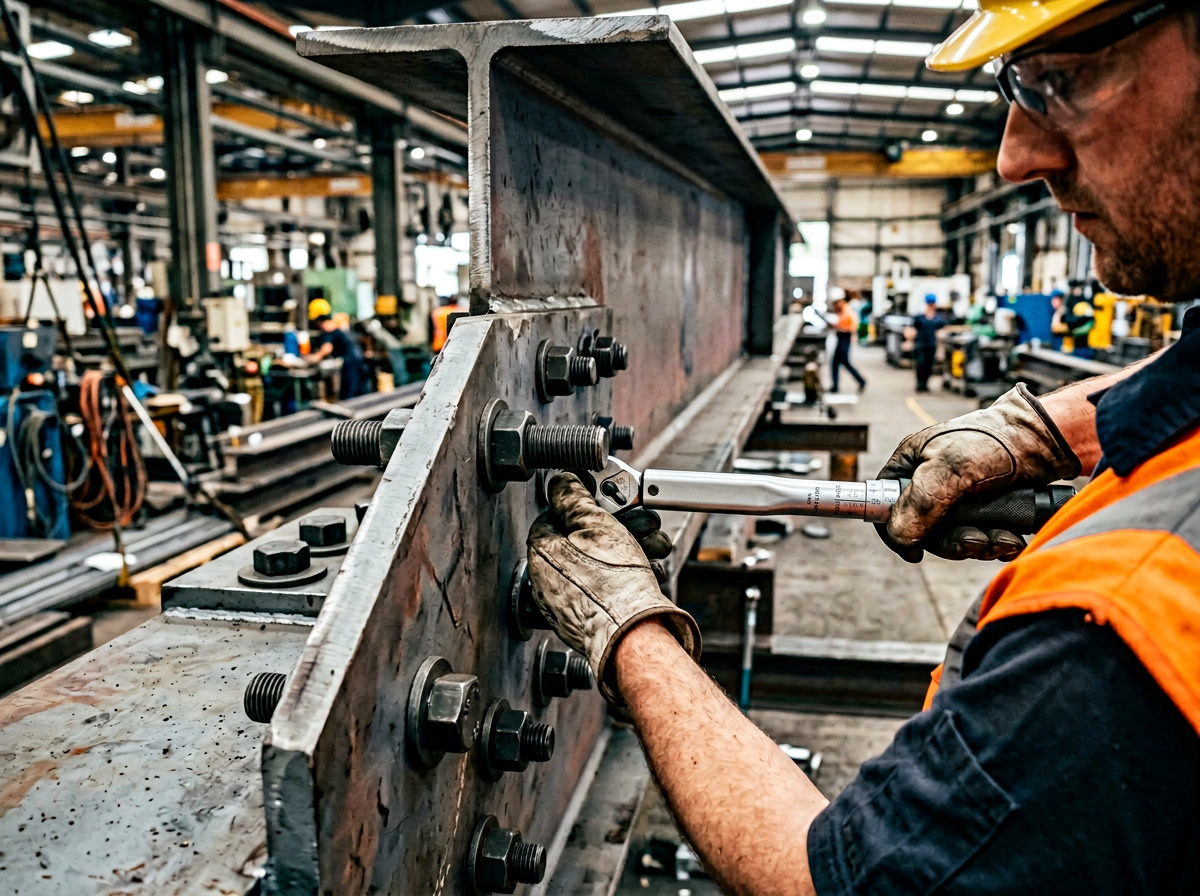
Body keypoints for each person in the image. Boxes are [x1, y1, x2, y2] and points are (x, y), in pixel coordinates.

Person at [525, 2, 1200, 894]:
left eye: (1060, 82)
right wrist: (1050, 431)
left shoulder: (1118, 633)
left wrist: (630, 633)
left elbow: (834, 880)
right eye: (1014, 87)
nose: (1016, 155)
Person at [306, 298, 370, 399]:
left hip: (350, 365)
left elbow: (327, 349)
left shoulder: (327, 329)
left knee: (349, 397)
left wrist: (312, 359)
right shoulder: (338, 325)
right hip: (359, 362)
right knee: (360, 396)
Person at [827, 292, 866, 393]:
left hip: (845, 338)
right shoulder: (841, 310)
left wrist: (837, 326)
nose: (834, 306)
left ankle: (861, 380)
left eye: (835, 304)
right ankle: (835, 386)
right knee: (835, 362)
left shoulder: (846, 310)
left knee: (844, 361)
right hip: (841, 337)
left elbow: (852, 326)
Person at [909, 294, 945, 392]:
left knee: (928, 365)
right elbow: (913, 330)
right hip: (920, 344)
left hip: (931, 345)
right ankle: (920, 384)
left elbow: (941, 330)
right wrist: (909, 340)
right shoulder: (920, 317)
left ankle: (925, 384)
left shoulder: (938, 318)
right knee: (920, 364)